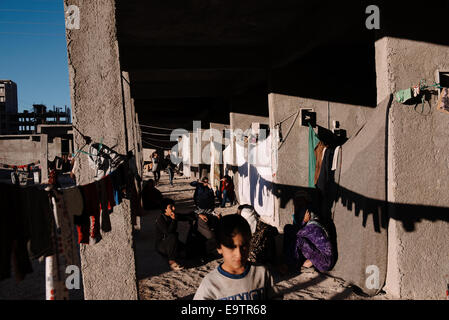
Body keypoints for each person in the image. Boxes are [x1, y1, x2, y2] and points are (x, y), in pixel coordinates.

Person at [193, 214, 280, 300]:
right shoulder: (211, 283)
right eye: (231, 247)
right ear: (219, 247)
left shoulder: (262, 272)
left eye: (244, 246)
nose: (239, 254)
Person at [282, 191, 334, 272]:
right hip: (320, 257)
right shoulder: (311, 225)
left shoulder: (313, 227)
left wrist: (302, 222)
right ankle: (289, 261)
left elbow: (296, 232)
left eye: (299, 200)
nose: (296, 204)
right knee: (292, 233)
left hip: (325, 262)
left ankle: (289, 266)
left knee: (297, 239)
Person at [155, 198, 195, 271]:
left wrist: (197, 215)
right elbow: (168, 232)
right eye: (170, 207)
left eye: (173, 206)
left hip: (173, 243)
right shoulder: (160, 219)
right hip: (162, 245)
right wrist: (174, 220)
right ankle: (172, 261)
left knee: (188, 252)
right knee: (172, 236)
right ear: (165, 209)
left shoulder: (173, 215)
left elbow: (186, 216)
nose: (174, 208)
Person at [189, 176, 220, 257]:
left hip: (209, 210)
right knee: (208, 234)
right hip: (201, 210)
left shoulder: (209, 189)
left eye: (207, 181)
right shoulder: (199, 186)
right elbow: (192, 183)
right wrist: (201, 183)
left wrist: (211, 189)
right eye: (205, 181)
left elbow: (212, 199)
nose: (206, 182)